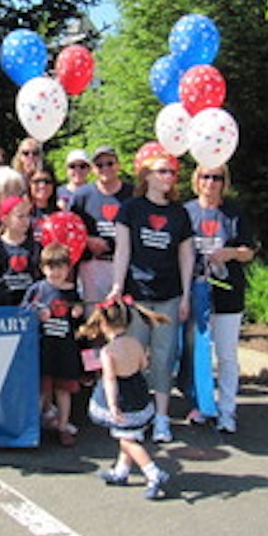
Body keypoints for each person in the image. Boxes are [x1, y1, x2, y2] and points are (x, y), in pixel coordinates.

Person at [108, 150, 193, 444]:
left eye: (171, 172)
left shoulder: (179, 213)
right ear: (148, 176)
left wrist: (185, 296)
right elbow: (122, 251)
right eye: (162, 171)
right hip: (137, 295)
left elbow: (186, 255)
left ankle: (161, 417)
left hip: (168, 295)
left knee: (164, 355)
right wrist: (117, 285)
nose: (168, 177)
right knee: (133, 356)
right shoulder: (131, 209)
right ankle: (136, 413)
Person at [183, 163, 255, 433]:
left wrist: (232, 253)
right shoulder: (187, 212)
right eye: (205, 176)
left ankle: (227, 411)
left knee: (226, 354)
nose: (210, 182)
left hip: (227, 293)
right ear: (196, 179)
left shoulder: (233, 212)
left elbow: (249, 250)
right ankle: (202, 405)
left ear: (224, 182)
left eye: (217, 177)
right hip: (195, 292)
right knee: (198, 353)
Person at [83, 297, 171, 500]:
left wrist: (112, 405)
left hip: (123, 398)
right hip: (138, 392)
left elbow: (110, 380)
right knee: (127, 436)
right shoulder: (135, 342)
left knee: (128, 440)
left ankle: (152, 472)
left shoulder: (108, 351)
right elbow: (143, 365)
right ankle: (121, 470)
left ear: (103, 324)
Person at [22, 243, 84, 447]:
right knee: (41, 389)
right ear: (42, 268)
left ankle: (63, 425)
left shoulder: (73, 292)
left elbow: (80, 323)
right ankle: (33, 428)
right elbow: (22, 312)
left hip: (65, 349)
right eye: (51, 267)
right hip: (42, 348)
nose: (56, 272)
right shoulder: (37, 289)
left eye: (60, 267)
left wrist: (78, 315)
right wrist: (36, 314)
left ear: (68, 268)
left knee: (64, 390)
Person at [70, 146, 133, 312]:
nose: (105, 168)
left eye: (109, 163)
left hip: (126, 266)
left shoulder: (132, 194)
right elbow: (70, 229)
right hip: (92, 266)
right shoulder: (82, 196)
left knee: (123, 319)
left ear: (118, 165)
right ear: (93, 169)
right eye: (99, 165)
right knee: (95, 319)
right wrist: (87, 240)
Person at [0, 195, 40, 304]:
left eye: (28, 216)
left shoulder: (35, 245)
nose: (26, 221)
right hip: (3, 303)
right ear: (5, 219)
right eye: (20, 216)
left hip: (28, 302)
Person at [28, 164, 60, 243]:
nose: (42, 185)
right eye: (37, 181)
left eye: (47, 181)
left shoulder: (60, 215)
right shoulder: (22, 214)